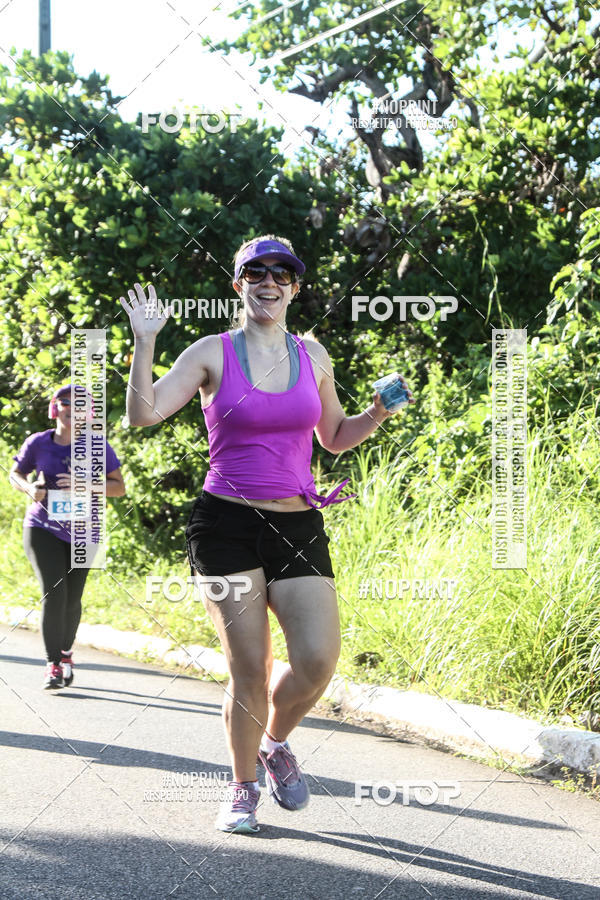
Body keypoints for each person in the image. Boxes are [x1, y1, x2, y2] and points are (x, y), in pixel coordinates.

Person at [120, 234, 414, 833]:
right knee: (249, 667)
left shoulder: (314, 355)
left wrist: (379, 411)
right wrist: (144, 341)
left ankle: (273, 743)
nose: (269, 282)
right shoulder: (212, 352)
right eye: (257, 273)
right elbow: (142, 414)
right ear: (240, 284)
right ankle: (242, 787)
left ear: (295, 288)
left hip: (297, 523)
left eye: (282, 274)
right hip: (225, 525)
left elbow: (333, 436)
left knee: (316, 661)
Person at [9, 384, 126, 689]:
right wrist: (29, 488)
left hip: (87, 530)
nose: (71, 409)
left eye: (79, 405)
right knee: (54, 592)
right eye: (65, 403)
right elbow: (15, 473)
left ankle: (65, 652)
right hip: (42, 526)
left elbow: (118, 487)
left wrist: (84, 485)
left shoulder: (98, 446)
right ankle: (53, 665)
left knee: (73, 600)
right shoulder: (39, 442)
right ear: (55, 408)